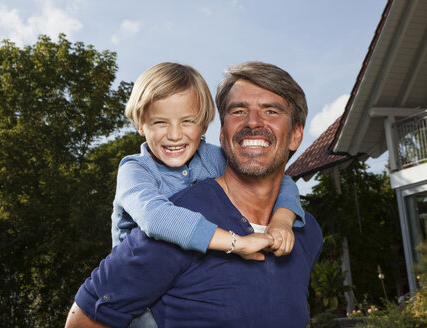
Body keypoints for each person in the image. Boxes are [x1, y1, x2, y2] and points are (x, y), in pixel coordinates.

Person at [65, 62, 322, 327]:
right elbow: (157, 219)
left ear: (204, 127)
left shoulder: (308, 233)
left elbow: (285, 183)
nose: (175, 135)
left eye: (271, 111)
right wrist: (237, 243)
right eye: (238, 111)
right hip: (137, 294)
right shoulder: (138, 174)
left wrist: (283, 220)